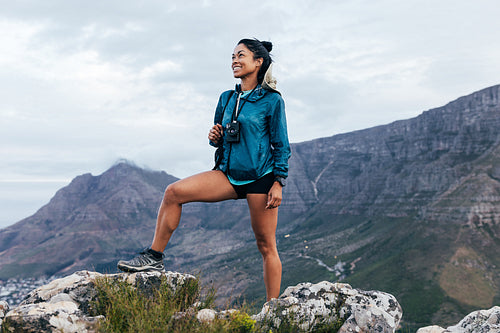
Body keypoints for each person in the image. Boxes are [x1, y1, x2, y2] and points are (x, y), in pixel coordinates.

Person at [117, 38, 291, 301]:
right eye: (232, 55)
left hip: (261, 178)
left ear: (258, 61)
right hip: (227, 173)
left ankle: (272, 309)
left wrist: (278, 181)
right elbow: (218, 139)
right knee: (174, 192)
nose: (234, 60)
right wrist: (215, 136)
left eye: (241, 55)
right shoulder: (227, 98)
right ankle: (154, 257)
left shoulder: (272, 101)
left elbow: (281, 143)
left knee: (266, 245)